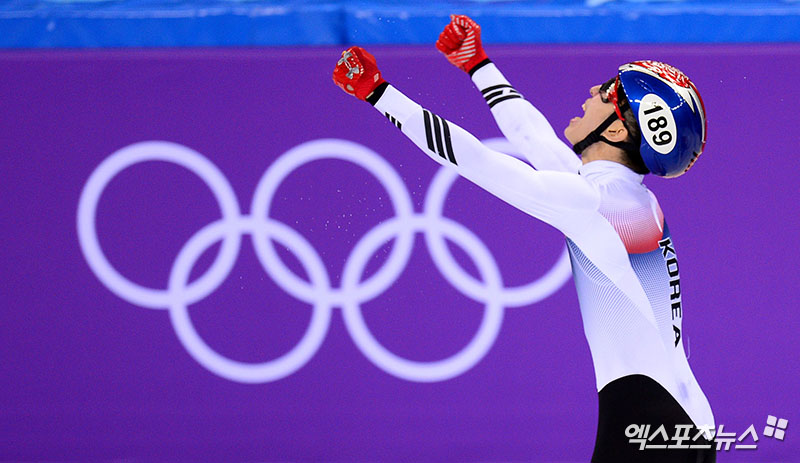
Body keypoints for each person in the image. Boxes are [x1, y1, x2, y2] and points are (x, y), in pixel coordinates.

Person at [332, 14, 715, 462]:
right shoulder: (622, 197)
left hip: (648, 421)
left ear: (615, 130)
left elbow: (475, 160)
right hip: (675, 420)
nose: (593, 92)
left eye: (607, 92)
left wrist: (379, 93)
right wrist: (476, 63)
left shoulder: (598, 202)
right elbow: (533, 137)